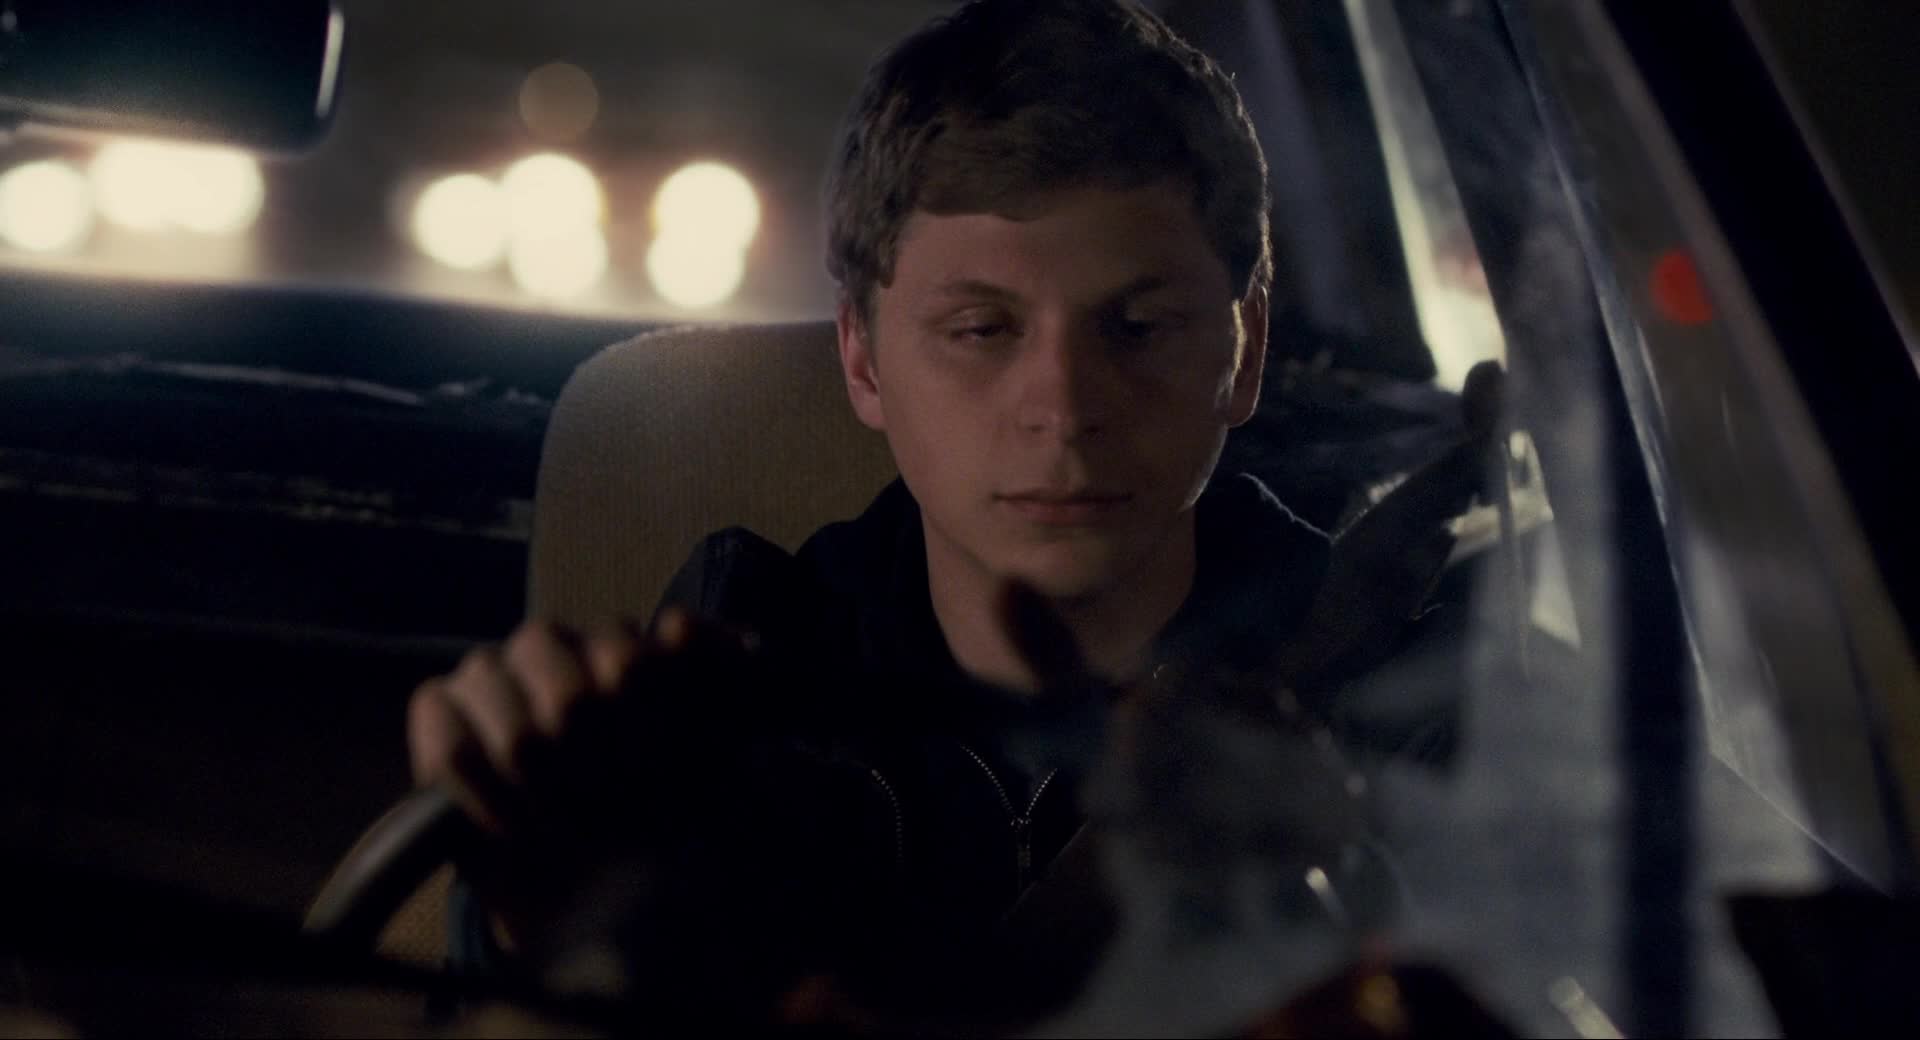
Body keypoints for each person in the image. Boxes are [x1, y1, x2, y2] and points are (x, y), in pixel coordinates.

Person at [405, 0, 1460, 1025]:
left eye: (1138, 327)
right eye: (982, 330)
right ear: (863, 360)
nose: (1064, 408)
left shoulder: (1398, 681)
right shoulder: (752, 674)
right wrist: (539, 912)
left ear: (1246, 349)